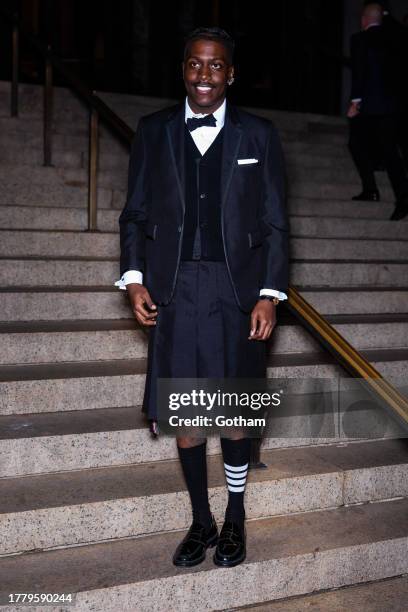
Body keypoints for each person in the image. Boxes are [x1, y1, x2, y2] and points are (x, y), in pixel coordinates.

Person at [114, 27, 289, 568]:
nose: (204, 75)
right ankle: (201, 520)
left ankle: (235, 516)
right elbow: (135, 215)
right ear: (183, 69)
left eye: (216, 67)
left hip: (237, 292)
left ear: (230, 74)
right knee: (188, 416)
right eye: (195, 65)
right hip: (175, 290)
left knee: (233, 412)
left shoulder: (258, 135)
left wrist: (269, 294)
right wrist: (135, 278)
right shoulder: (154, 130)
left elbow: (275, 223)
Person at [347, 3, 408, 220]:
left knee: (356, 143)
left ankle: (372, 189)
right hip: (393, 106)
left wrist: (354, 103)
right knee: (390, 151)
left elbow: (360, 72)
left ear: (364, 18)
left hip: (370, 105)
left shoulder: (359, 39)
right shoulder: (395, 37)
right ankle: (400, 196)